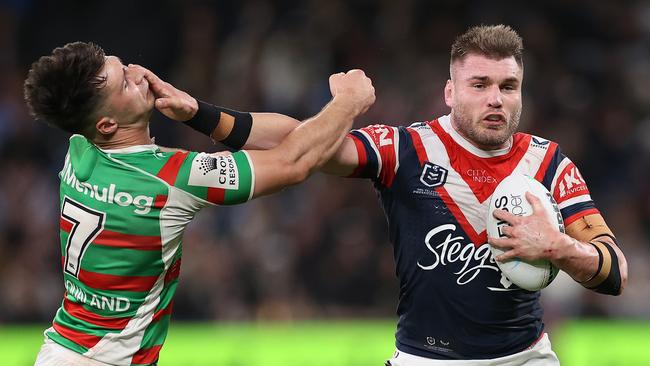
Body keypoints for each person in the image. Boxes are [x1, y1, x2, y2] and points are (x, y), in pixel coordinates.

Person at [171, 24, 629, 365]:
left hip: (525, 357)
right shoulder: (407, 148)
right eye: (480, 85)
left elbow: (613, 272)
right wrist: (202, 115)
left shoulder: (548, 163)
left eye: (508, 87)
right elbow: (300, 140)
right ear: (450, 92)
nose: (496, 99)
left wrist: (559, 247)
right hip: (423, 358)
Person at [24, 41, 375, 366]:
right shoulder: (172, 178)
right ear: (107, 123)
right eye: (126, 85)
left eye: (124, 66)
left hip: (62, 349)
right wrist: (348, 103)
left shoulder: (78, 149)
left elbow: (294, 140)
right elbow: (291, 161)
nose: (140, 74)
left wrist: (197, 113)